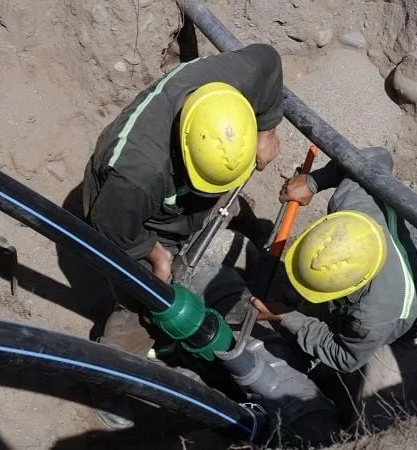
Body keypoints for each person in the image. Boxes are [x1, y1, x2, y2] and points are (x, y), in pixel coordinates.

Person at [82, 43, 284, 429]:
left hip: (170, 197)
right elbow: (113, 230)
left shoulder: (231, 85)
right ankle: (107, 378)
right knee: (143, 303)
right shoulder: (135, 177)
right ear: (183, 148)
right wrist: (157, 257)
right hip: (125, 218)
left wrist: (267, 128)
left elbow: (270, 61)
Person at [252, 147, 417, 429]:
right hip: (402, 283)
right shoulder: (354, 198)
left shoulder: (373, 314)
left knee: (376, 416)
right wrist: (312, 182)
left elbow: (345, 355)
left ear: (355, 286)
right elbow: (376, 156)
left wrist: (285, 317)